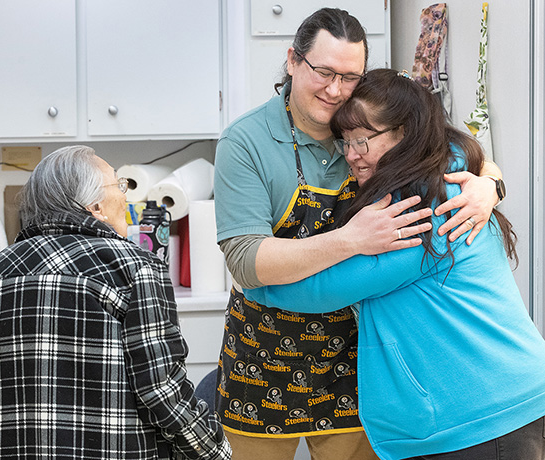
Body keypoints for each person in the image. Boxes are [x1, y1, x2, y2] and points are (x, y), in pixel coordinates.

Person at [213, 8, 504, 460]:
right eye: (323, 72)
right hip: (262, 363)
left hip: (354, 367)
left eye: (349, 77)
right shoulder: (245, 141)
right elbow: (247, 263)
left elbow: (451, 150)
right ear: (293, 61)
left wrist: (489, 185)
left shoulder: (365, 126)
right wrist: (351, 240)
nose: (335, 91)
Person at [244, 68, 545, 460]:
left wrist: (251, 276)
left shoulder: (422, 208)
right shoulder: (441, 175)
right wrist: (492, 182)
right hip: (490, 405)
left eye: (363, 141)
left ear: (404, 134)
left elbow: (325, 288)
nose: (352, 154)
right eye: (345, 142)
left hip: (485, 414)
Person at [0, 145, 232, 460]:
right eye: (119, 185)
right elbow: (162, 393)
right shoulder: (136, 267)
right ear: (95, 205)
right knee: (215, 385)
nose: (125, 196)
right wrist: (218, 452)